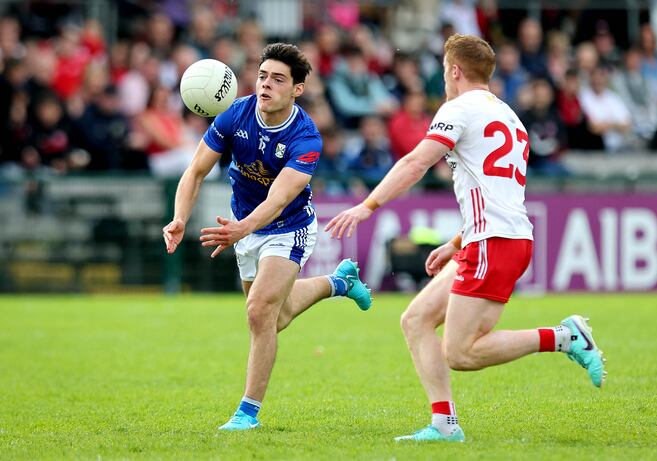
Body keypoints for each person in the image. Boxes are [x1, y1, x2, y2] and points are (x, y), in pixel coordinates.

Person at [326, 34, 606, 443]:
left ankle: (564, 337)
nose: (443, 77)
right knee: (416, 320)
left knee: (460, 352)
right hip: (493, 237)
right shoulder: (510, 117)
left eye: (444, 69)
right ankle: (444, 424)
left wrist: (367, 205)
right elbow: (498, 193)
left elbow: (416, 161)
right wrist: (458, 242)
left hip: (495, 243)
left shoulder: (458, 108)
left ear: (454, 71)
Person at [162, 43, 373, 432]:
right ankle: (338, 282)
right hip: (243, 227)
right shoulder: (234, 114)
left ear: (296, 89)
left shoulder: (306, 137)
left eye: (278, 79)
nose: (266, 85)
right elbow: (194, 172)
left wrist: (243, 228)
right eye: (262, 76)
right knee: (276, 317)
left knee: (259, 312)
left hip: (288, 227)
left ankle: (247, 414)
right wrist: (179, 218)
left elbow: (278, 200)